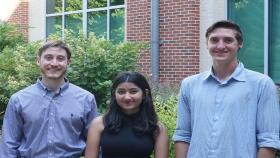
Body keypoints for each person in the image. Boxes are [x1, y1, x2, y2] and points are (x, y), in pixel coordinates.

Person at [173, 20, 280, 158]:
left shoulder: (262, 84)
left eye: (228, 40)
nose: (220, 45)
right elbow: (183, 135)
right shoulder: (189, 85)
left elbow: (268, 140)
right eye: (214, 40)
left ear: (240, 44)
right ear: (207, 44)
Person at [0, 40, 98, 157]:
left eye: (60, 58)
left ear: (68, 62)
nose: (54, 63)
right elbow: (8, 145)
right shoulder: (19, 100)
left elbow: (95, 143)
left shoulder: (86, 99)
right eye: (48, 57)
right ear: (38, 60)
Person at [85, 72, 169, 158]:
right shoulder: (99, 124)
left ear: (144, 93)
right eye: (121, 92)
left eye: (133, 91)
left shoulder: (157, 128)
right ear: (114, 94)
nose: (127, 97)